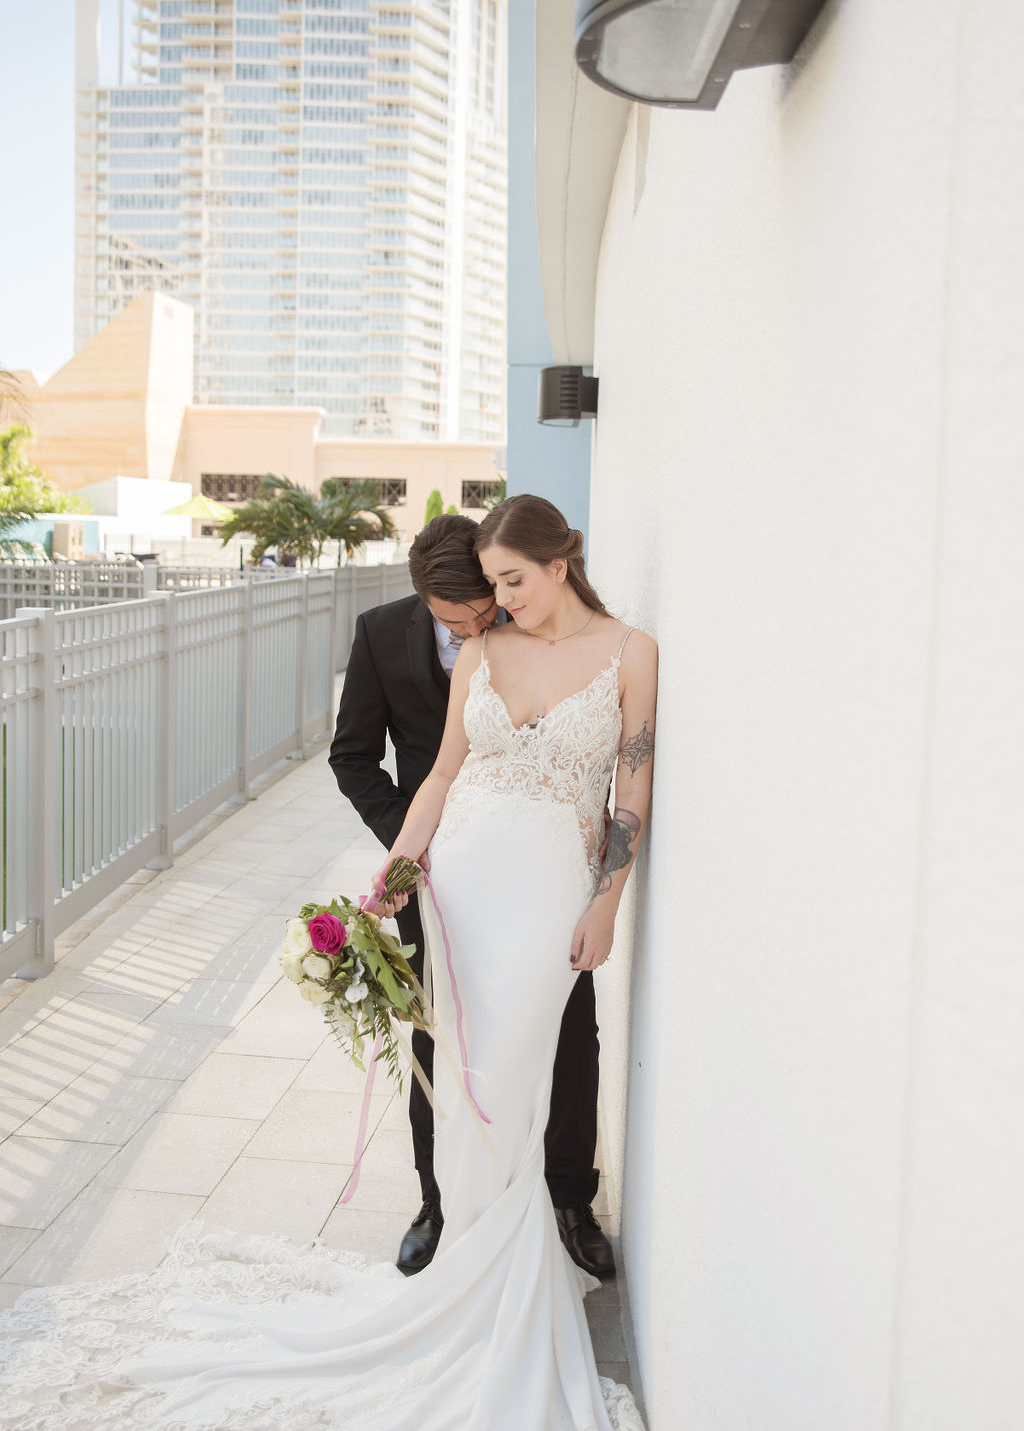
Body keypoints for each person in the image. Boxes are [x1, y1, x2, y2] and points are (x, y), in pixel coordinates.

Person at [0, 495, 655, 1431]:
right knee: (464, 1067)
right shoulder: (486, 650)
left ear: (562, 563)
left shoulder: (632, 653)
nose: (499, 600)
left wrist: (607, 901)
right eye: (491, 584)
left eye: (512, 581)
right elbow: (435, 779)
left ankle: (538, 1231)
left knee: (520, 1072)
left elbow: (633, 782)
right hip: (461, 878)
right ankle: (472, 1253)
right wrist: (392, 876)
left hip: (553, 886)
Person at [328, 513, 614, 1280]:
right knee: (441, 1033)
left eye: (491, 601)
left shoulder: (532, 627)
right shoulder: (381, 633)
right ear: (427, 598)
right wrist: (412, 856)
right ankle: (438, 1200)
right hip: (441, 865)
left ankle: (569, 1198)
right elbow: (354, 757)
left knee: (569, 1029)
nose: (484, 623)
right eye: (462, 618)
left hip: (541, 871)